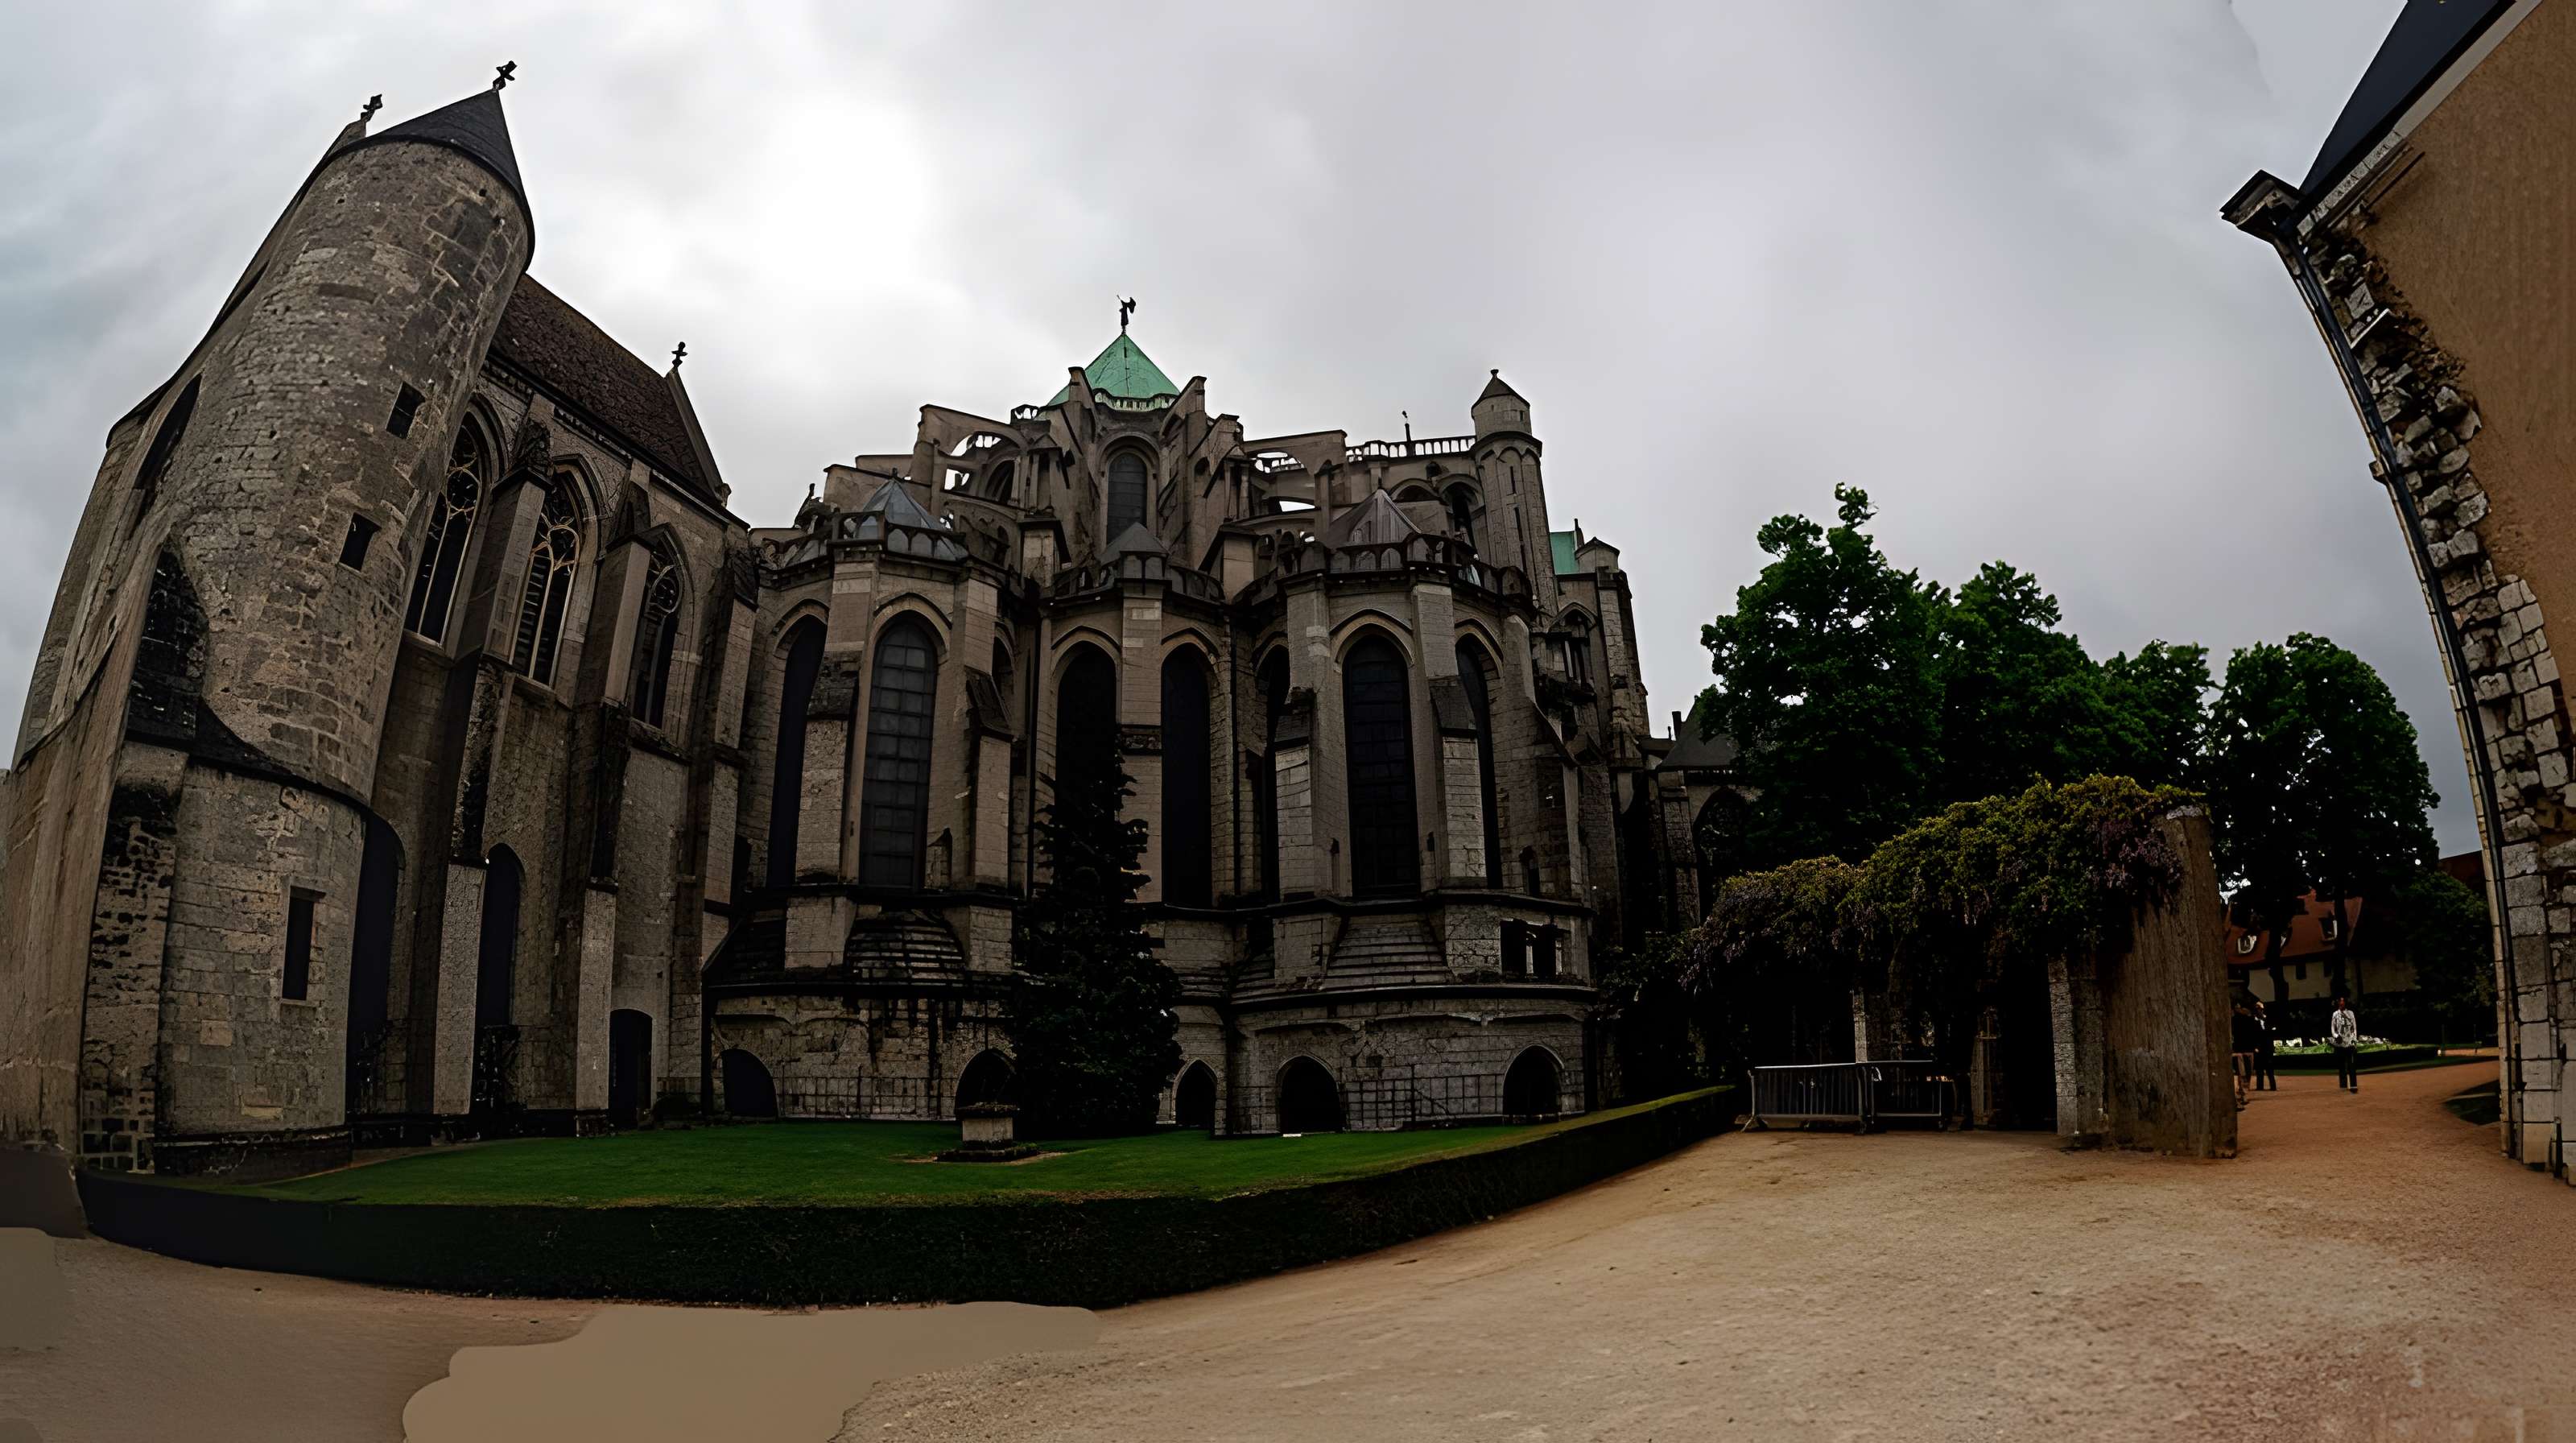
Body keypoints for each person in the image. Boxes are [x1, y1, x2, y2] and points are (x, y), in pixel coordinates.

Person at [2230, 1000, 2260, 1109]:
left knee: (2244, 1074)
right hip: (2240, 1050)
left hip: (2244, 1050)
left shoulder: (2247, 1020)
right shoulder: (2238, 1020)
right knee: (2242, 1074)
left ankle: (2241, 1094)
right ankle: (2240, 1095)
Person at [2329, 995, 2361, 1092]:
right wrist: (2336, 1036)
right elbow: (2332, 1028)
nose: (2342, 1003)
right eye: (2340, 1001)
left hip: (2349, 1043)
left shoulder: (2351, 1013)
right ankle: (2343, 1085)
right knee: (2341, 1065)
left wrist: (2354, 1039)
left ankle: (2353, 1086)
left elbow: (2354, 1028)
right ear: (2338, 1003)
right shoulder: (2335, 1014)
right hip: (2340, 1044)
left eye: (2343, 1001)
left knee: (2351, 1065)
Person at [2252, 999, 2279, 1092]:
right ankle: (2260, 1086)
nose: (2259, 1011)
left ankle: (2273, 1086)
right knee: (2260, 1069)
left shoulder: (2267, 1020)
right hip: (2259, 1047)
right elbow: (2255, 1035)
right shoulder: (2254, 1021)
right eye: (2257, 1009)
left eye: (2260, 1009)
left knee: (2269, 1068)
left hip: (2267, 1047)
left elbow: (2271, 1031)